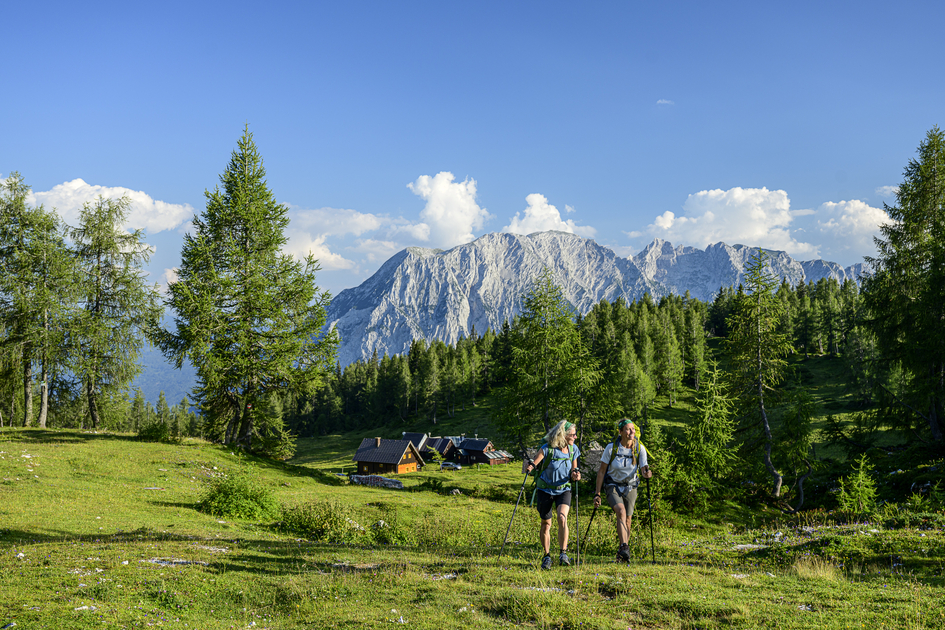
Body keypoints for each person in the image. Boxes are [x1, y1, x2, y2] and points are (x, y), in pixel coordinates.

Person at [593, 418, 652, 562]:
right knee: (621, 512)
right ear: (620, 432)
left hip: (631, 486)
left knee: (628, 520)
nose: (632, 432)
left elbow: (644, 467)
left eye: (633, 429)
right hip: (612, 485)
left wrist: (646, 473)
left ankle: (622, 553)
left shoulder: (639, 448)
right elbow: (601, 471)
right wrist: (597, 493)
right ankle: (624, 547)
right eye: (628, 429)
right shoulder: (611, 448)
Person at [525, 420, 581, 569]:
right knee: (546, 524)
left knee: (562, 517)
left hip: (564, 489)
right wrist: (529, 467)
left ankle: (563, 553)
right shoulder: (547, 449)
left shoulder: (573, 449)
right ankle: (547, 556)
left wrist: (576, 475)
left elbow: (574, 470)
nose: (575, 437)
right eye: (573, 434)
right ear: (563, 435)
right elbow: (534, 463)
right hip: (545, 489)